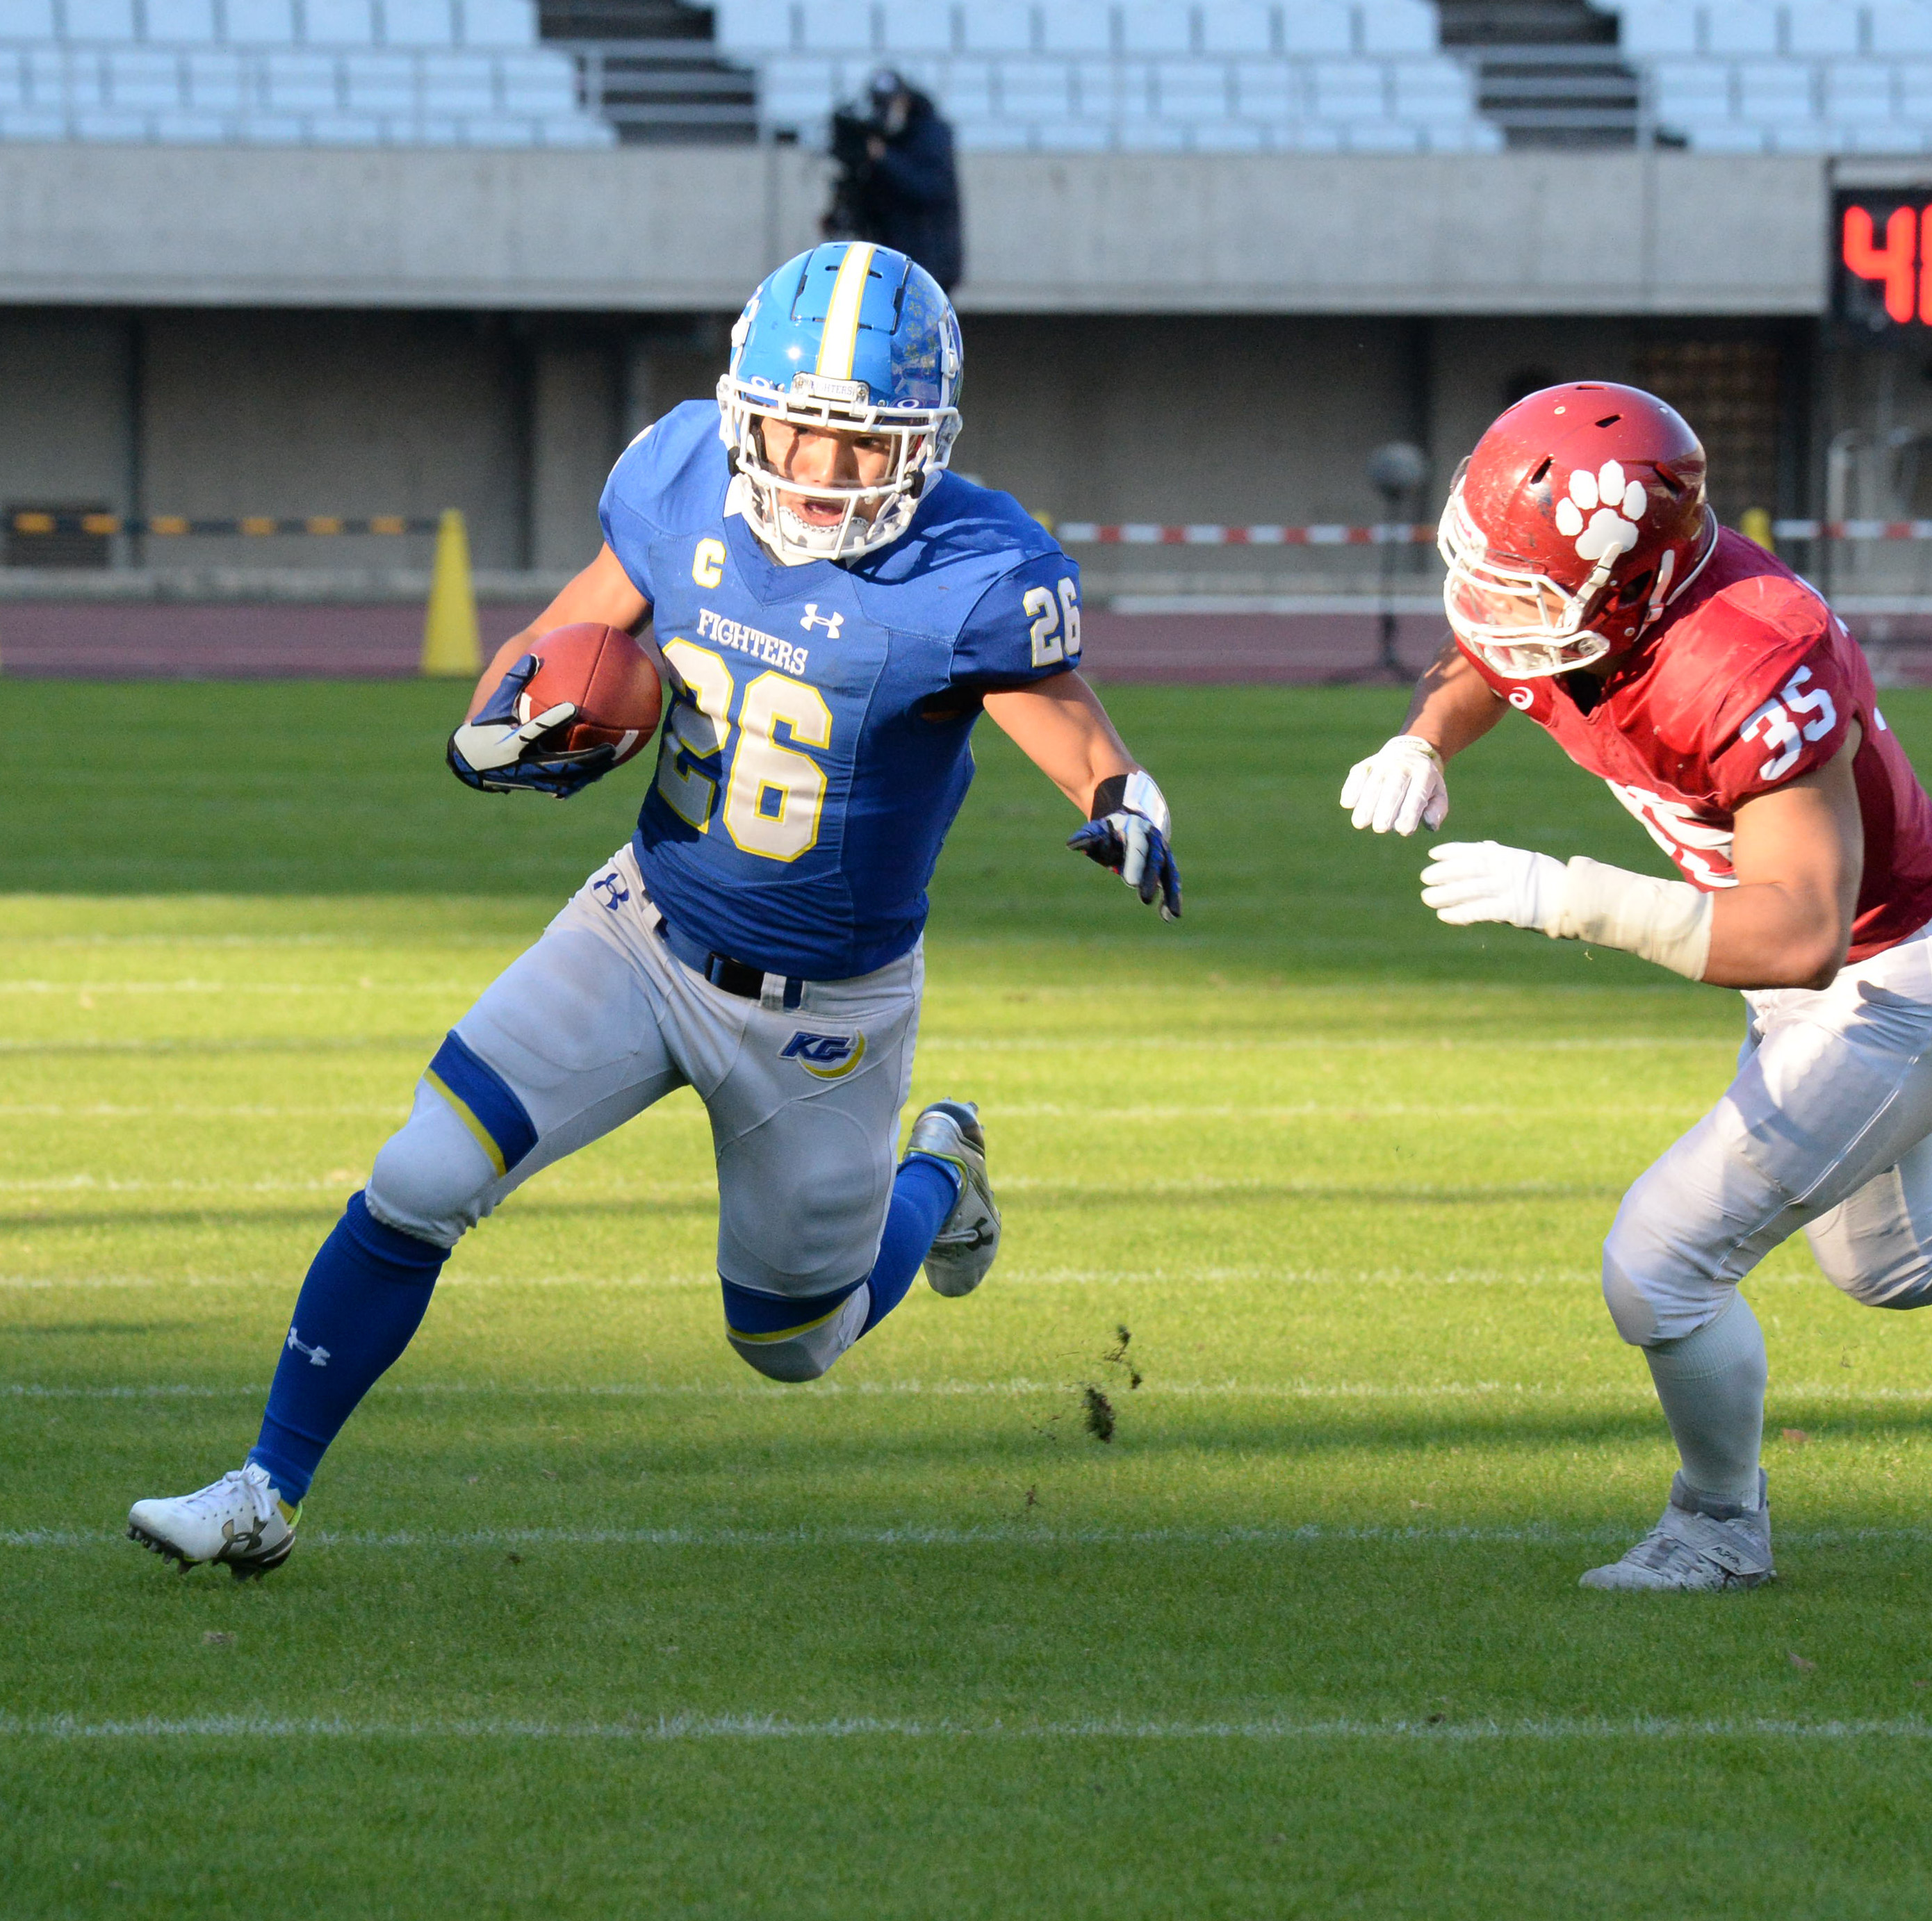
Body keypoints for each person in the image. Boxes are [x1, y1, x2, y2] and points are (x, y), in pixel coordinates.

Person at [126, 242, 1180, 1577]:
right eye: (799, 429)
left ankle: (941, 1167)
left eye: (864, 446)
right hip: (640, 927)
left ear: (925, 442)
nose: (820, 470)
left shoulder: (972, 570)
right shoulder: (681, 476)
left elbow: (1068, 722)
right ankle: (264, 1487)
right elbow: (563, 638)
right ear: (747, 408)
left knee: (792, 1341)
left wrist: (1124, 800)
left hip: (824, 1012)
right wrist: (503, 727)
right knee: (419, 1176)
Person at [1341, 382, 1932, 1592]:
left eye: (1525, 588)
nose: (1492, 609)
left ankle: (1720, 1525)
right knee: (1885, 1266)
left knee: (1661, 1259)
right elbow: (1490, 658)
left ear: (1627, 586)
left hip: (1892, 966)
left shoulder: (1748, 653)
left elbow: (1802, 932)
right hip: (1832, 975)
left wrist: (1573, 897)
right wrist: (1423, 738)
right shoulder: (1579, 605)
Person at [826, 70, 963, 293]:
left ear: (904, 100)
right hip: (890, 260)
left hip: (930, 263)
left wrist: (884, 157)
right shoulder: (882, 138)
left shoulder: (930, 134)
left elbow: (930, 189)